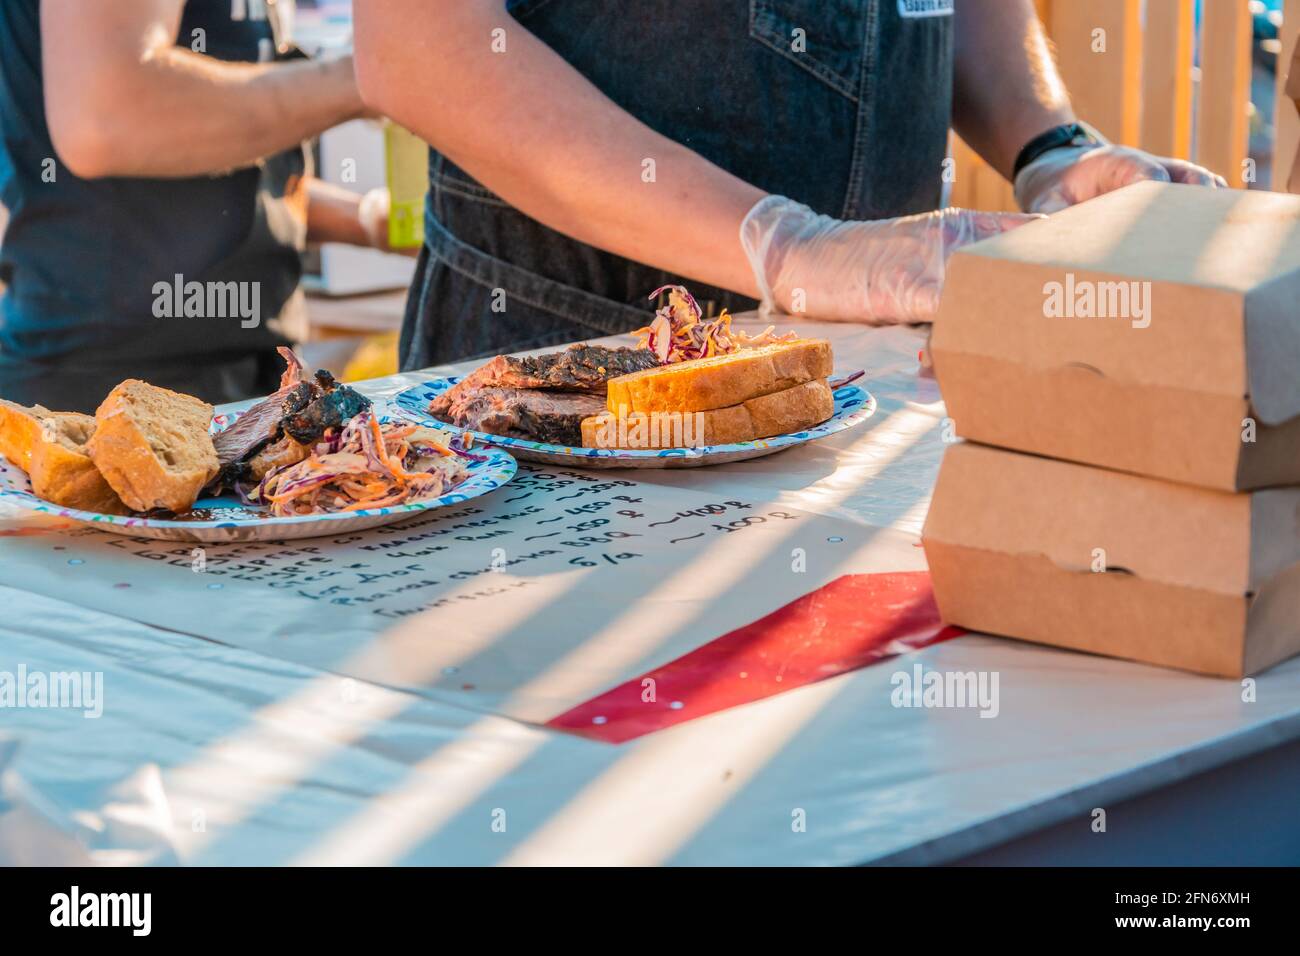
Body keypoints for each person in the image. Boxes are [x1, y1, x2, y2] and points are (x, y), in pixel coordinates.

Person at [352, 0, 1225, 371]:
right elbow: (418, 44)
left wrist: (1047, 146)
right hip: (571, 363)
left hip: (874, 364)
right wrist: (789, 244)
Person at [0, 0, 393, 412]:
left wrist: (370, 222)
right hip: (109, 385)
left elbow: (232, 181)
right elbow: (107, 119)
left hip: (254, 368)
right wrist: (367, 77)